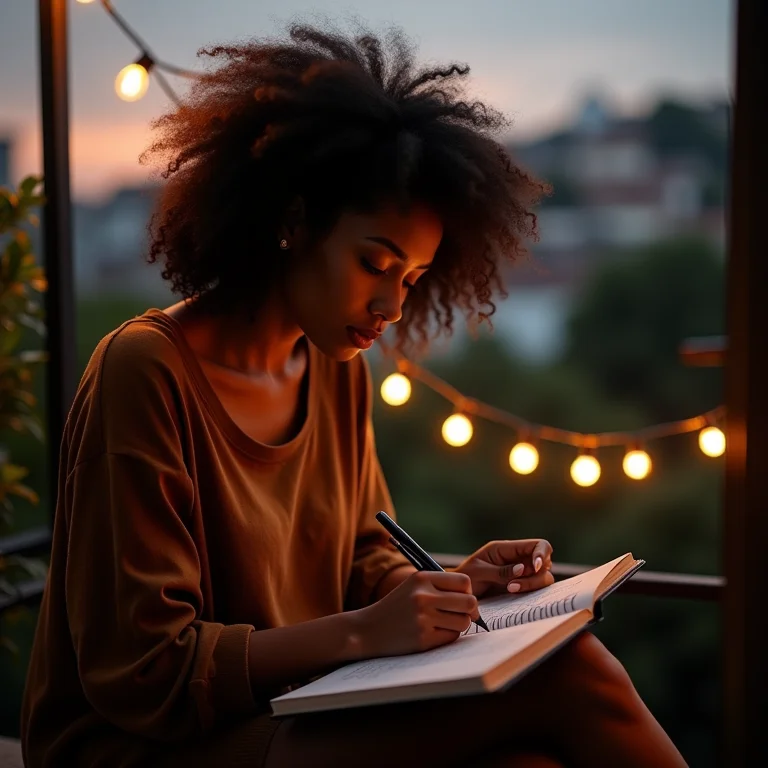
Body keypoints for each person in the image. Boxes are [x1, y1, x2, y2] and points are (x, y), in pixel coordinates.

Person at [21, 20, 687, 768]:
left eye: (411, 280)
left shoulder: (336, 365)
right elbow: (144, 671)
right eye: (376, 263)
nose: (393, 308)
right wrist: (368, 631)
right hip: (140, 745)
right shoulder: (144, 371)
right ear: (294, 221)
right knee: (570, 674)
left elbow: (367, 555)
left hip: (286, 710)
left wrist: (450, 587)